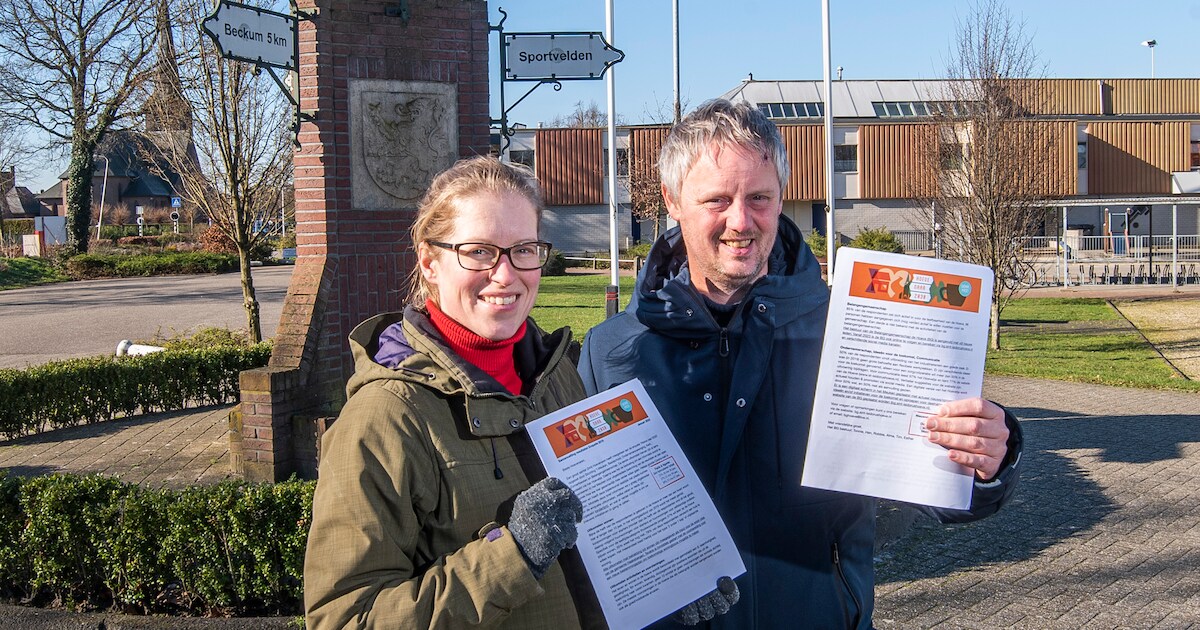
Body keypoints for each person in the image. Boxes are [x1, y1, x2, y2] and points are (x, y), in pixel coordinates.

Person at [578, 100, 1023, 629]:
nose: (741, 221)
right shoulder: (610, 351)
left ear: (782, 196)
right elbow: (593, 525)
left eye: (760, 198)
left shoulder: (858, 331)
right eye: (717, 199)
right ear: (673, 201)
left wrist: (986, 457)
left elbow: (947, 497)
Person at [304, 157, 601, 628]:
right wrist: (510, 559)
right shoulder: (385, 418)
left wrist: (659, 583)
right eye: (479, 251)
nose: (506, 275)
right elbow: (345, 619)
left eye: (523, 249)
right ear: (430, 263)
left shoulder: (557, 374)